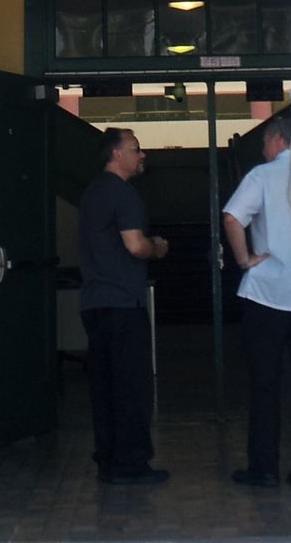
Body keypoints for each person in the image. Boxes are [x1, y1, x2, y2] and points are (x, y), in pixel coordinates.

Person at [221, 110, 291, 489]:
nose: (263, 149)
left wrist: (244, 259)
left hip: (267, 295)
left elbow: (232, 217)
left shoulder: (262, 176)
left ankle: (264, 468)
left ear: (278, 140)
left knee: (265, 384)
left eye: (265, 142)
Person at [78, 127, 171, 484]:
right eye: (136, 148)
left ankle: (108, 460)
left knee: (104, 388)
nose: (142, 154)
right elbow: (134, 245)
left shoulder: (91, 193)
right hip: (123, 304)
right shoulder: (123, 193)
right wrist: (157, 248)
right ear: (116, 154)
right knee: (132, 388)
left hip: (93, 304)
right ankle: (132, 463)